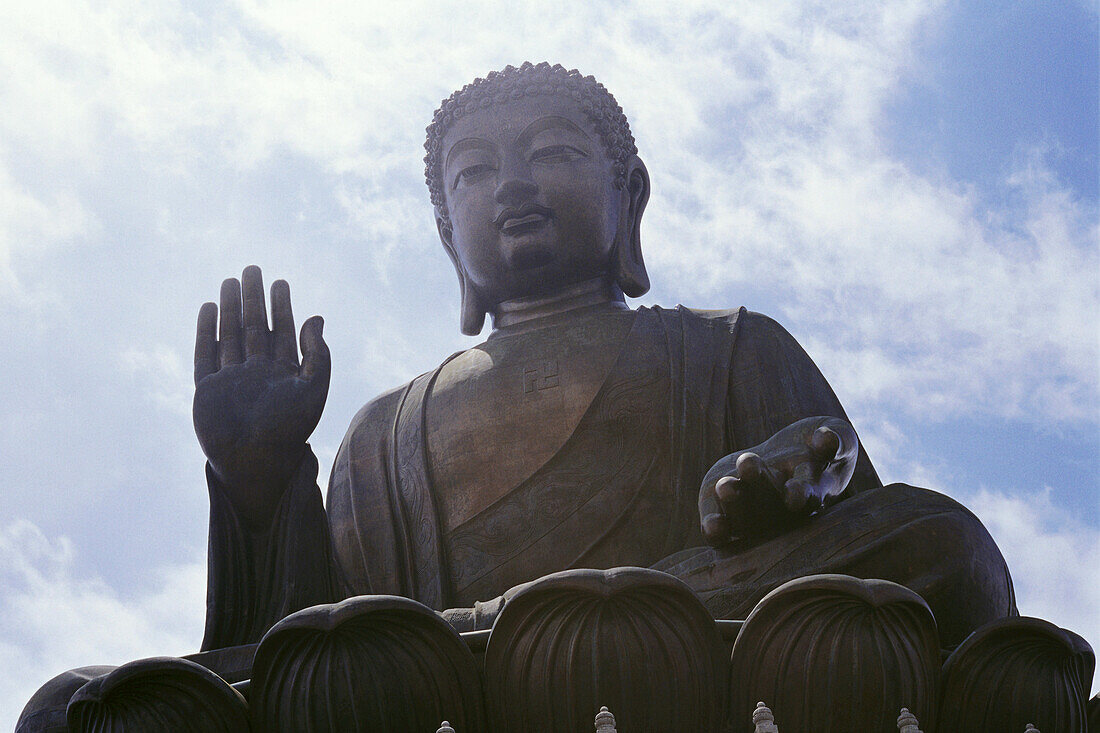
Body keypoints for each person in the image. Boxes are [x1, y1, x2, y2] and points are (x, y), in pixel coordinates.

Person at [192, 62, 1015, 652]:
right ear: (448, 233)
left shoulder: (726, 346)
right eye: (474, 171)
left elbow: (853, 516)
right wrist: (258, 488)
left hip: (698, 649)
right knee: (75, 707)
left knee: (948, 543)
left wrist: (791, 484)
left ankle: (527, 637)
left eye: (551, 153)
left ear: (632, 198)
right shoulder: (383, 433)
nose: (510, 184)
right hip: (446, 682)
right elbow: (304, 643)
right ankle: (523, 638)